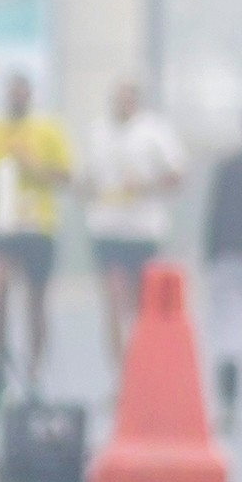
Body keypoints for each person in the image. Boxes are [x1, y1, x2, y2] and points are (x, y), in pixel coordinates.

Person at [0, 70, 74, 385]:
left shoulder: (49, 129)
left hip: (37, 226)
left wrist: (34, 166)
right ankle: (0, 362)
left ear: (30, 96)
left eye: (22, 93)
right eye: (12, 93)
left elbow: (66, 176)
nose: (17, 98)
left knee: (35, 300)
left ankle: (34, 368)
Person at [83, 77, 185, 372]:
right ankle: (121, 373)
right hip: (106, 227)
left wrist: (145, 186)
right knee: (114, 301)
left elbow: (176, 175)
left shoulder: (155, 132)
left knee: (142, 304)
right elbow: (86, 178)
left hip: (143, 229)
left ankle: (144, 367)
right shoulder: (98, 132)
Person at [205, 104, 242, 433]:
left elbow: (215, 215)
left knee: (229, 335)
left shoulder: (230, 166)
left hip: (231, 262)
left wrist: (211, 257)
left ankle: (228, 406)